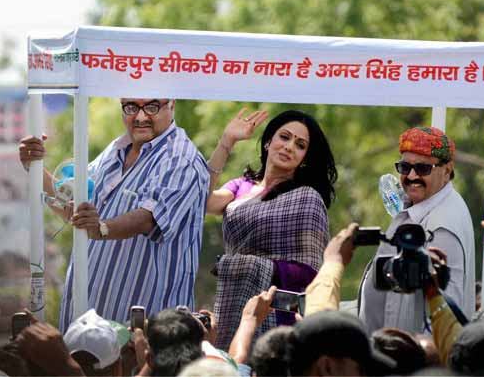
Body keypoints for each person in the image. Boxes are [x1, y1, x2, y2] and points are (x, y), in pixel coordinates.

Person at [19, 99, 209, 330]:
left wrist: (100, 228)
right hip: (86, 323)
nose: (140, 117)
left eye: (152, 107)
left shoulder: (181, 159)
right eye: (131, 107)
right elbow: (72, 207)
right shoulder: (115, 150)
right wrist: (35, 166)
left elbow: (147, 219)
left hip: (144, 332)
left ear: (172, 105)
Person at [205, 109, 337, 349]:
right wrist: (227, 142)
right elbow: (201, 200)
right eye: (284, 137)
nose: (289, 147)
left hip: (279, 314)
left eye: (300, 145)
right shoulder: (241, 187)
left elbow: (311, 272)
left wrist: (250, 266)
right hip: (233, 303)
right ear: (268, 142)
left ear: (304, 158)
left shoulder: (307, 198)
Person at [358, 126, 476, 334]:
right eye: (405, 167)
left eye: (423, 168)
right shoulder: (419, 206)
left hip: (415, 352)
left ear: (446, 171)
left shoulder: (442, 226)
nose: (412, 175)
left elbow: (444, 312)